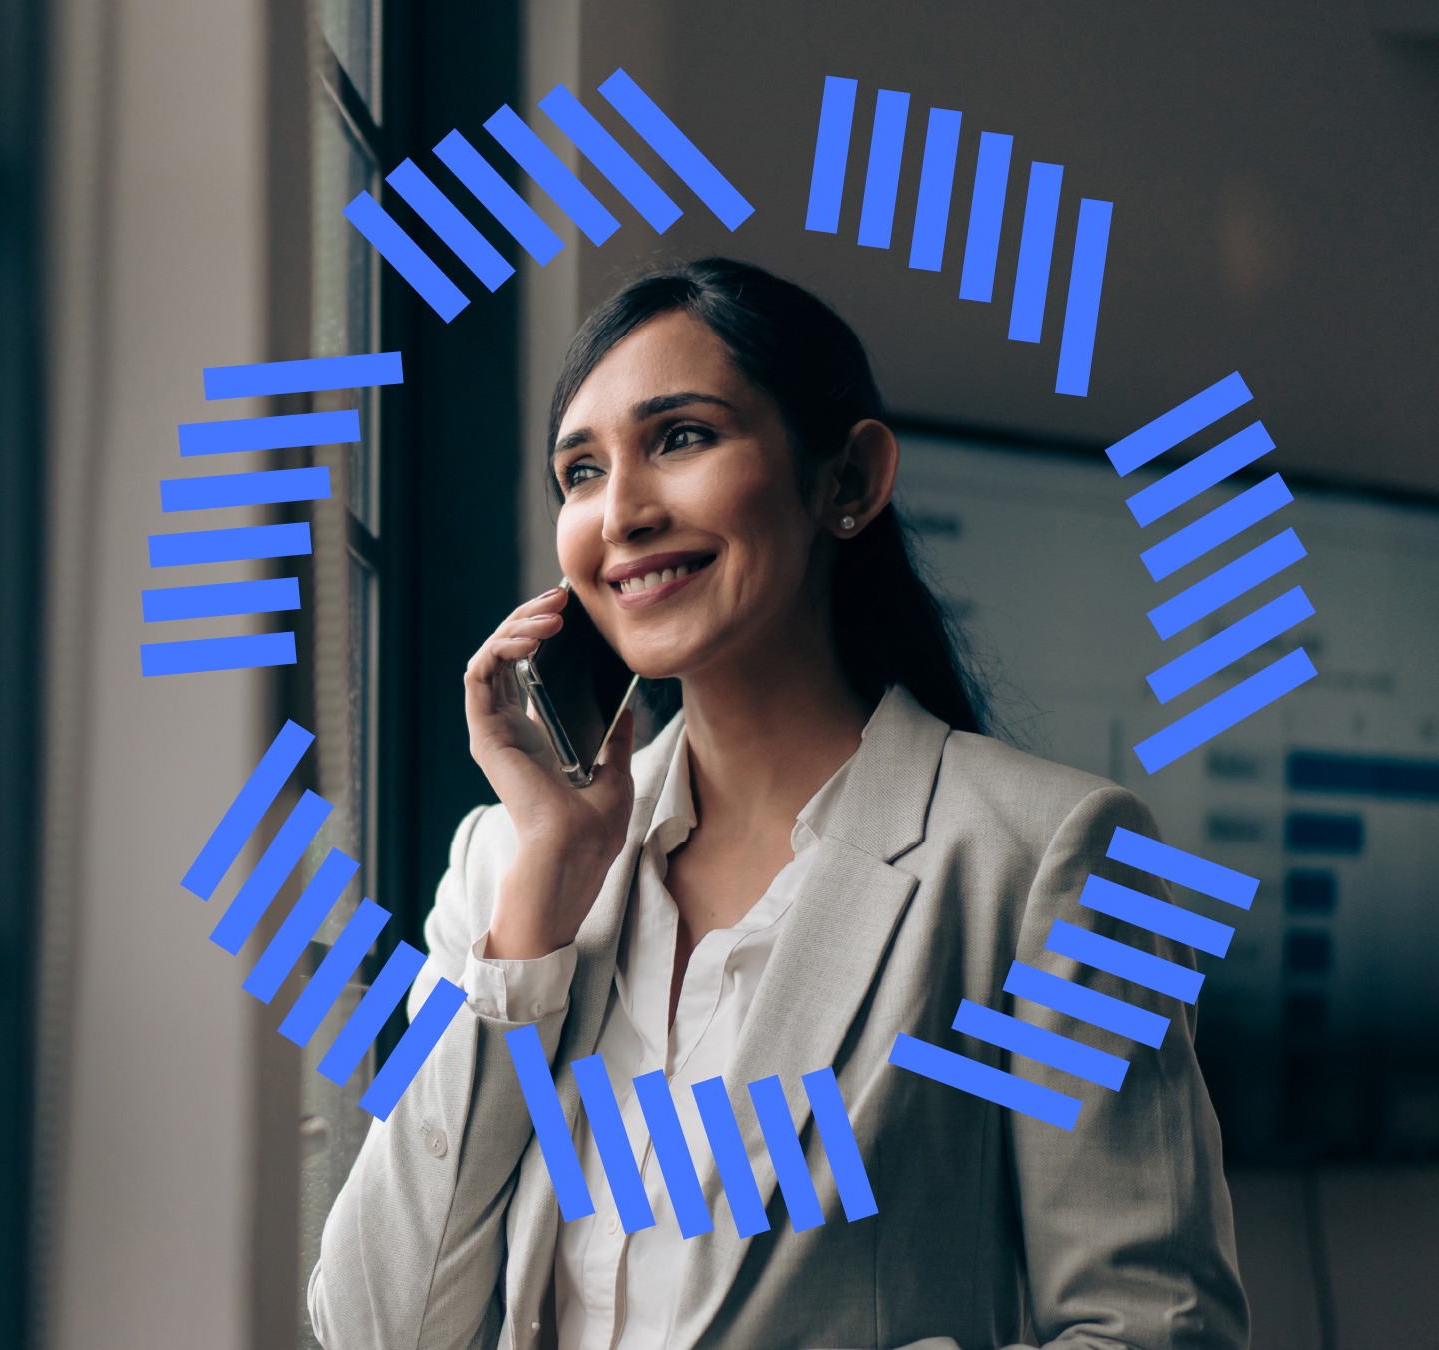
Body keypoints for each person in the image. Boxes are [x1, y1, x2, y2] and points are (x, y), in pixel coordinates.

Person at [307, 257, 1248, 1350]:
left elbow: (1153, 1329)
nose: (622, 512)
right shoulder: (504, 866)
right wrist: (537, 915)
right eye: (579, 470)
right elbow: (374, 1329)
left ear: (846, 481)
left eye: (681, 438)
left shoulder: (1053, 860)